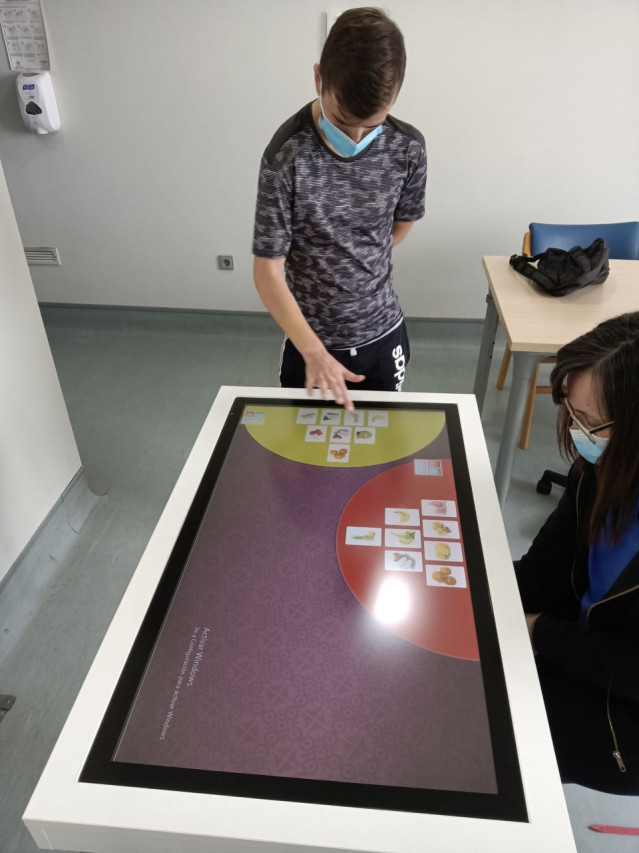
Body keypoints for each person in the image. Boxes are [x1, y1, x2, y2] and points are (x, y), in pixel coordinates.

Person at [252, 7, 427, 411]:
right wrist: (313, 351)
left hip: (383, 333)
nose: (357, 136)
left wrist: (354, 260)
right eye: (344, 121)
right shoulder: (286, 155)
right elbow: (267, 270)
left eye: (372, 124)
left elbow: (400, 227)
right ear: (318, 78)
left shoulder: (408, 148)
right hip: (311, 342)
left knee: (382, 450)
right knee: (303, 459)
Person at [515, 311, 639, 794]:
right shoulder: (603, 468)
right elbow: (546, 566)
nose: (578, 435)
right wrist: (477, 597)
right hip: (582, 644)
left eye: (593, 424)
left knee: (487, 733)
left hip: (624, 715)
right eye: (572, 413)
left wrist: (541, 631)